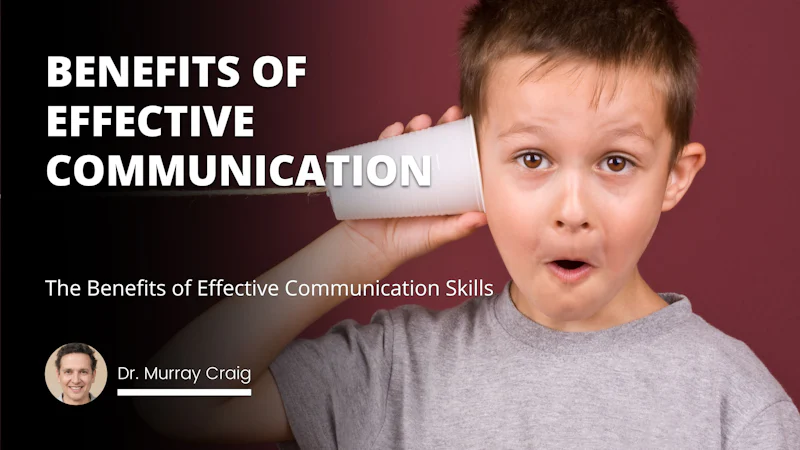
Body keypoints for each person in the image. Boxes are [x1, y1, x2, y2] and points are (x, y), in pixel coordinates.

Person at [137, 0, 800, 447]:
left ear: (675, 176)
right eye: (532, 158)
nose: (573, 211)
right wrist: (361, 246)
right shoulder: (395, 369)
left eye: (616, 162)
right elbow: (173, 398)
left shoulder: (736, 405)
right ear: (469, 163)